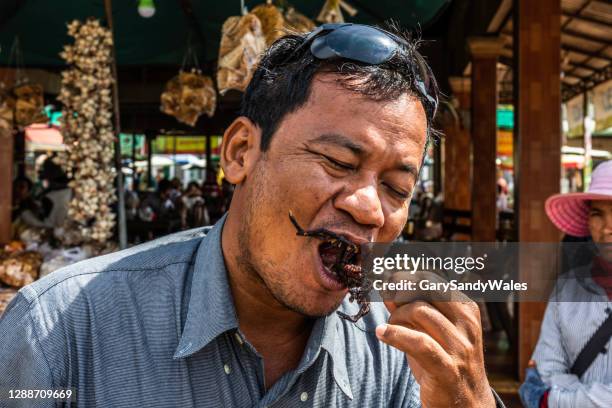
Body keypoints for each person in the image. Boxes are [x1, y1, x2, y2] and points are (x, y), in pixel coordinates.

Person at [0, 24, 503, 407]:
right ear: (241, 152)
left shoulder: (403, 355)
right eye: (338, 163)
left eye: (396, 187)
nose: (370, 209)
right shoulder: (59, 333)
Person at [519, 160, 612, 408]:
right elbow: (547, 374)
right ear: (588, 222)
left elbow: (545, 393)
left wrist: (554, 399)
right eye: (598, 214)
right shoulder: (568, 288)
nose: (608, 228)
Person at [19, 157, 71, 230]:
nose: (42, 175)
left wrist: (24, 210)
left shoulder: (51, 197)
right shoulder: (68, 192)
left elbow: (43, 224)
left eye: (45, 171)